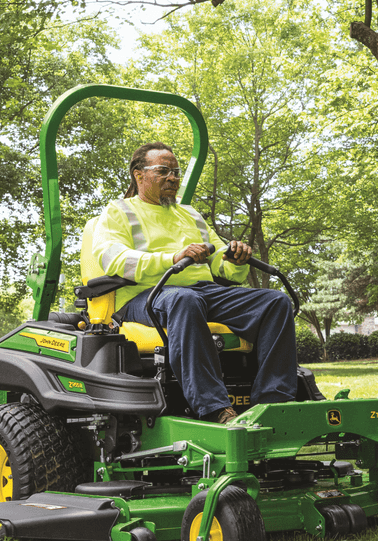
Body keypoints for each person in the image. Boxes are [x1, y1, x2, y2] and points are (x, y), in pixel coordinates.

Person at [92, 142, 297, 423]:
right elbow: (114, 260)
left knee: (275, 302)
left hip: (203, 294)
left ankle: (274, 404)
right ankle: (214, 408)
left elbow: (220, 265)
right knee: (184, 300)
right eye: (163, 171)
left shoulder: (190, 215)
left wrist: (235, 261)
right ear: (139, 175)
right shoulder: (120, 211)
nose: (173, 178)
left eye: (176, 172)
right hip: (147, 296)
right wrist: (173, 257)